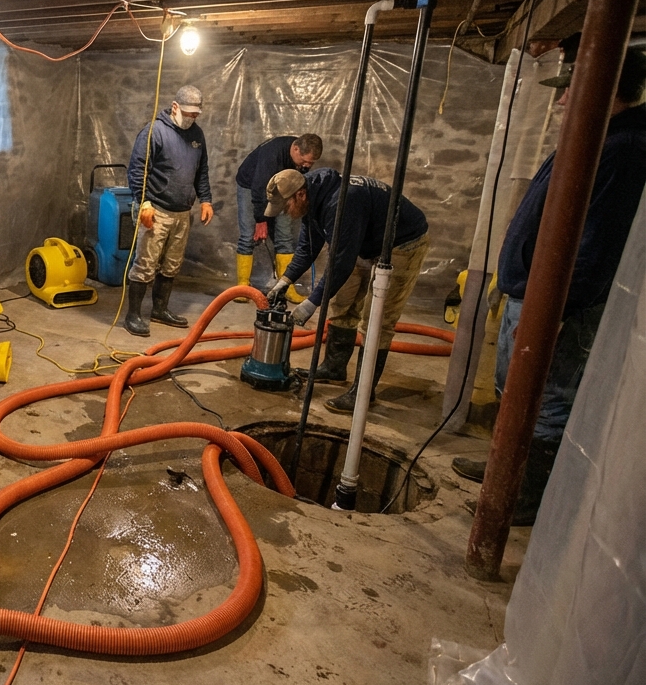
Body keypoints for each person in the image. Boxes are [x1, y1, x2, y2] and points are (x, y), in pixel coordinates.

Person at [451, 44, 646, 526]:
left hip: (562, 305)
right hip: (533, 292)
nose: (560, 105)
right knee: (515, 388)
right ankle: (505, 471)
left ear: (603, 91)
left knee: (549, 399)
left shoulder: (624, 150)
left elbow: (597, 245)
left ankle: (525, 496)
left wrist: (558, 308)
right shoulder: (595, 141)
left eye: (567, 93)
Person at [264, 168, 429, 413]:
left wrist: (311, 303)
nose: (285, 213)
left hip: (401, 244)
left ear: (299, 195)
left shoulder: (342, 202)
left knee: (377, 319)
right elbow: (308, 247)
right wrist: (284, 281)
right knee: (343, 303)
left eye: (285, 206)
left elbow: (341, 262)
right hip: (364, 240)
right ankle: (333, 368)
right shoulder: (311, 196)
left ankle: (363, 393)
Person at [123, 84, 214, 336]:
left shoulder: (197, 136)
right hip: (157, 209)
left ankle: (159, 309)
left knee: (172, 264)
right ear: (175, 107)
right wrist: (144, 202)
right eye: (187, 113)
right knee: (145, 264)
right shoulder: (154, 132)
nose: (191, 118)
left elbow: (201, 171)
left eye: (196, 114)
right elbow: (137, 169)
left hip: (182, 212)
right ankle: (133, 315)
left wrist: (205, 199)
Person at [234, 133, 324, 302]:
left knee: (284, 236)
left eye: (310, 164)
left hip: (282, 188)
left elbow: (298, 179)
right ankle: (242, 286)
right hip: (251, 186)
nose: (306, 166)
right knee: (248, 236)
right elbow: (259, 189)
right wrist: (261, 220)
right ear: (295, 149)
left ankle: (286, 288)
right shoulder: (272, 155)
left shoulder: (301, 159)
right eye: (304, 161)